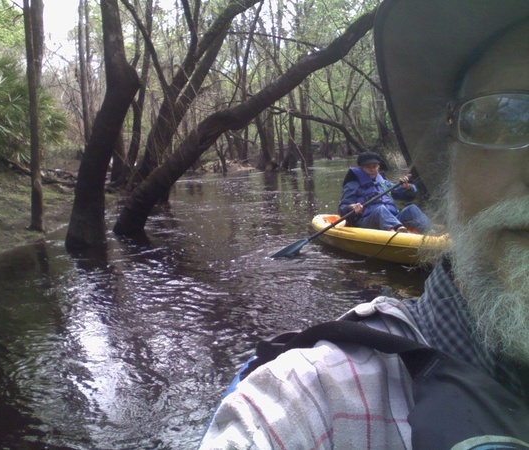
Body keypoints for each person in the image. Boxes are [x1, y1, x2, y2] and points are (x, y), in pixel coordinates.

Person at [200, 0, 529, 448]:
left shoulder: (382, 180)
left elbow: (402, 196)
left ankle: (409, 229)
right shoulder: (311, 395)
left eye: (378, 170)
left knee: (404, 209)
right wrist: (354, 209)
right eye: (509, 118)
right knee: (378, 212)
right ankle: (400, 231)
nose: (375, 173)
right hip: (363, 216)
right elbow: (354, 204)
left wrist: (407, 189)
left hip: (388, 212)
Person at [338, 151, 432, 233]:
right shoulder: (352, 185)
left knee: (412, 209)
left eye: (374, 166)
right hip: (366, 223)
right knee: (380, 209)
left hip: (391, 219)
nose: (372, 169)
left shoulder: (383, 183)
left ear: (378, 167)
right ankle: (397, 231)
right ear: (361, 168)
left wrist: (408, 188)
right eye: (368, 167)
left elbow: (408, 196)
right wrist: (351, 207)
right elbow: (342, 208)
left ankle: (431, 232)